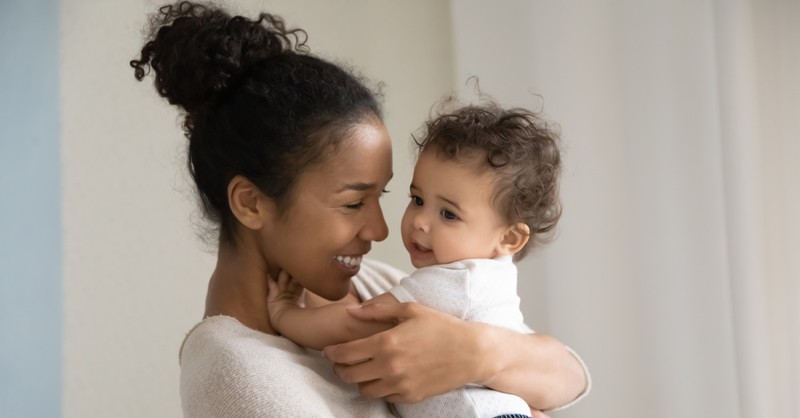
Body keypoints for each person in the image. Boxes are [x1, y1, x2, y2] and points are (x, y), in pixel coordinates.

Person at [130, 2, 589, 417]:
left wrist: (481, 354)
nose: (382, 231)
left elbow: (572, 378)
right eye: (353, 203)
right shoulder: (234, 372)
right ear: (251, 203)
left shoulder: (378, 283)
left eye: (382, 197)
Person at [266, 98, 581, 418]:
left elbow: (351, 325)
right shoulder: (490, 281)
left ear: (509, 238)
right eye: (417, 199)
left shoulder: (454, 282)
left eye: (448, 214)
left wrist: (285, 315)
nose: (419, 221)